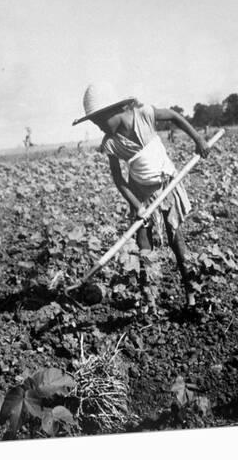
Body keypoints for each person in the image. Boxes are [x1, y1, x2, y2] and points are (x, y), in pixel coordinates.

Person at [72, 83, 210, 316]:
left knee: (176, 240)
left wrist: (198, 139)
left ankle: (191, 295)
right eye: (94, 122)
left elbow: (175, 116)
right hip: (140, 195)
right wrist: (138, 206)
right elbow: (119, 179)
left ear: (114, 111)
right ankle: (149, 301)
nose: (98, 126)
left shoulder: (144, 115)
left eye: (99, 120)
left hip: (167, 186)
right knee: (143, 244)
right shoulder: (110, 143)